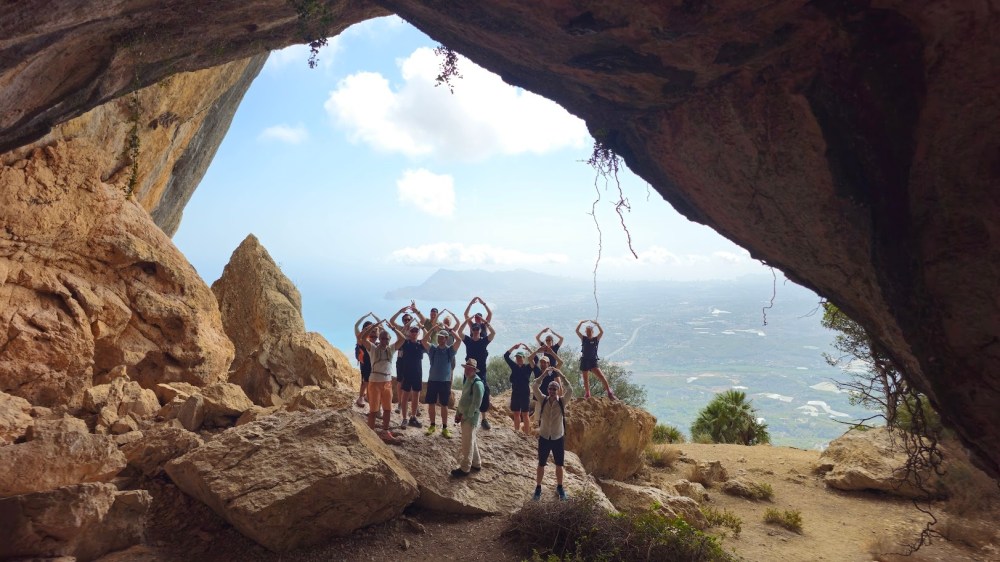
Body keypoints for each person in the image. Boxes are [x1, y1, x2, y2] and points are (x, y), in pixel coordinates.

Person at [532, 366, 572, 500]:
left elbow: (570, 389)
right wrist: (543, 375)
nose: (553, 391)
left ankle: (560, 487)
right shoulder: (543, 400)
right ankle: (538, 488)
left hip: (557, 438)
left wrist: (561, 375)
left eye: (555, 389)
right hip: (544, 437)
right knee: (541, 463)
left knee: (559, 464)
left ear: (558, 390)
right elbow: (534, 386)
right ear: (548, 390)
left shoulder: (562, 401)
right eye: (550, 389)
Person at [357, 320, 398, 443]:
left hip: (387, 382)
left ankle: (385, 432)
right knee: (373, 410)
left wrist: (394, 329)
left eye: (387, 339)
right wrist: (373, 327)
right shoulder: (373, 348)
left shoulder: (390, 350)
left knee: (387, 409)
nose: (386, 341)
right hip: (374, 382)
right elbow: (363, 338)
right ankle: (370, 434)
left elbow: (402, 340)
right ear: (380, 339)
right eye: (384, 339)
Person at [459, 296, 495, 429]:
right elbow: (465, 316)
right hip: (470, 364)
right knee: (467, 388)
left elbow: (490, 316)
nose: (477, 322)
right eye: (476, 319)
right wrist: (470, 305)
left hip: (481, 362)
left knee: (483, 390)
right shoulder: (472, 328)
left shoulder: (483, 327)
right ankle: (464, 413)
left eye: (480, 319)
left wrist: (483, 304)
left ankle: (483, 419)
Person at [390, 305, 427, 429]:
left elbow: (427, 336)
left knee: (416, 395)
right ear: (409, 332)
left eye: (416, 331)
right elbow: (399, 333)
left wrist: (420, 326)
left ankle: (413, 417)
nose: (414, 332)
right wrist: (408, 324)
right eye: (412, 331)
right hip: (407, 371)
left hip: (417, 372)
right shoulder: (405, 342)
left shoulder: (420, 344)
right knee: (405, 395)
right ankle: (405, 418)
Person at [422, 325, 461, 438]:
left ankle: (444, 428)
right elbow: (424, 341)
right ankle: (432, 425)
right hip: (433, 380)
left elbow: (459, 340)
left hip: (445, 382)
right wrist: (432, 329)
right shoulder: (433, 349)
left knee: (444, 405)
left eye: (443, 337)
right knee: (431, 404)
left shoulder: (450, 351)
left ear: (446, 338)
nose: (441, 339)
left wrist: (450, 331)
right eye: (439, 337)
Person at [452, 358, 485, 477]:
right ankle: (476, 463)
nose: (466, 370)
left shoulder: (477, 384)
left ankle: (465, 468)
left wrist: (466, 415)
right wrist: (458, 413)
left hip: (470, 418)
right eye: (466, 368)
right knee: (471, 440)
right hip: (464, 416)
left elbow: (476, 404)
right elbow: (464, 399)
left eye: (469, 368)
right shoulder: (469, 380)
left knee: (467, 442)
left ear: (474, 370)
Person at [576, 319, 615, 400]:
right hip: (585, 360)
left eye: (589, 331)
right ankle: (587, 394)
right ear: (586, 332)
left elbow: (602, 332)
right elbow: (577, 331)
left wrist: (597, 324)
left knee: (601, 376)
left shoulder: (596, 339)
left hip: (593, 361)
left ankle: (609, 392)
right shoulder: (584, 338)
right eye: (587, 331)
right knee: (585, 378)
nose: (588, 332)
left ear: (592, 331)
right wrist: (581, 323)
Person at [505, 343, 534, 434]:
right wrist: (513, 347)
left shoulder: (528, 367)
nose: (518, 359)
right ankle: (517, 432)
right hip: (516, 393)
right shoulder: (514, 367)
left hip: (525, 393)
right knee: (516, 413)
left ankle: (526, 434)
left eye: (520, 357)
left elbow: (536, 359)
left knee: (525, 414)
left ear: (523, 358)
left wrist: (529, 349)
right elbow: (506, 356)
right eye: (517, 357)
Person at [353, 314, 376, 408]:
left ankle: (367, 397)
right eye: (367, 328)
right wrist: (364, 316)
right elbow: (356, 326)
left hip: (373, 361)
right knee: (365, 380)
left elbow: (381, 329)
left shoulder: (373, 338)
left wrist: (375, 321)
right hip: (365, 361)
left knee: (371, 381)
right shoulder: (361, 338)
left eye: (371, 328)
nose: (369, 329)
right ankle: (361, 397)